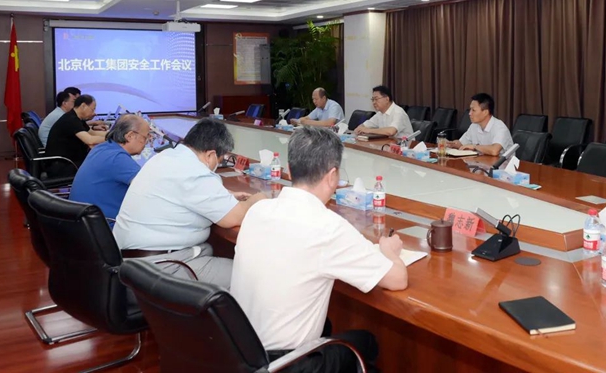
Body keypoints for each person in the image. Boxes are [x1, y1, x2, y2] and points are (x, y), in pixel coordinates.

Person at [231, 126, 408, 373]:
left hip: (239, 353)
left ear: (289, 169)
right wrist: (388, 250)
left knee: (327, 325)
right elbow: (397, 279)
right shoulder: (327, 226)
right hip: (286, 365)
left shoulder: (257, 211)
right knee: (366, 342)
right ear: (333, 176)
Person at [113, 118, 267, 288]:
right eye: (220, 160)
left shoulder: (167, 157)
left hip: (134, 262)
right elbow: (234, 217)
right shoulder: (195, 172)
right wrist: (257, 198)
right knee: (255, 279)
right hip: (161, 266)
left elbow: (183, 191)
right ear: (211, 155)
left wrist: (226, 196)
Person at [69, 114, 151, 228]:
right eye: (145, 138)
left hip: (82, 223)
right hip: (104, 227)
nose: (146, 142)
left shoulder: (101, 147)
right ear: (130, 136)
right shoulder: (117, 158)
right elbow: (150, 190)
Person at [45, 94, 106, 176]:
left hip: (69, 161)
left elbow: (92, 133)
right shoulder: (71, 119)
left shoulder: (77, 118)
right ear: (83, 106)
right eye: (92, 109)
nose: (94, 113)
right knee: (101, 165)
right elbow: (89, 140)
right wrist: (111, 137)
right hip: (62, 165)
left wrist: (113, 133)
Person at [447, 93, 513, 156]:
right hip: (482, 161)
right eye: (470, 110)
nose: (470, 113)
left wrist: (474, 147)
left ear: (485, 112)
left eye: (473, 110)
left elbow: (494, 151)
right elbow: (462, 143)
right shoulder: (474, 125)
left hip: (503, 163)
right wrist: (451, 144)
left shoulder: (500, 127)